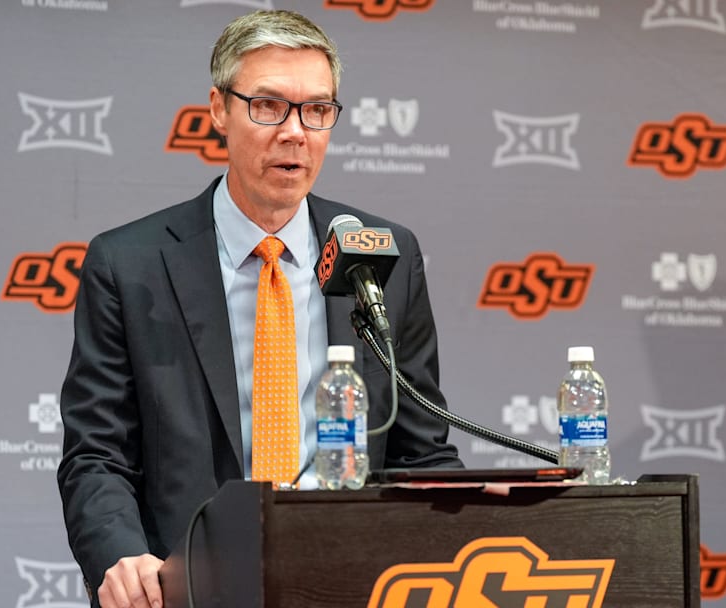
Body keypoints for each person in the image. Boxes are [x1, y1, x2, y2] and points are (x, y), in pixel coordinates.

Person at [56, 10, 462, 608]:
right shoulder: (130, 264)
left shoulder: (382, 255)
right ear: (219, 109)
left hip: (348, 580)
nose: (295, 132)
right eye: (269, 106)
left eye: (317, 110)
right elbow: (97, 453)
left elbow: (421, 448)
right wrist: (120, 556)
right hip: (190, 586)